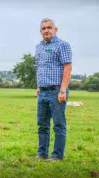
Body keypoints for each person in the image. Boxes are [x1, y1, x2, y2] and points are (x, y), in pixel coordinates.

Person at [35, 18, 72, 161]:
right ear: (40, 31)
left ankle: (57, 156)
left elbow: (67, 68)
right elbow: (40, 67)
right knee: (42, 125)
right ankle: (42, 154)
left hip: (57, 91)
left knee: (58, 125)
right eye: (43, 28)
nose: (46, 30)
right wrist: (39, 86)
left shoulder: (62, 45)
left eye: (49, 27)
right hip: (43, 92)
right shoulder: (39, 47)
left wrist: (63, 90)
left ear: (55, 29)